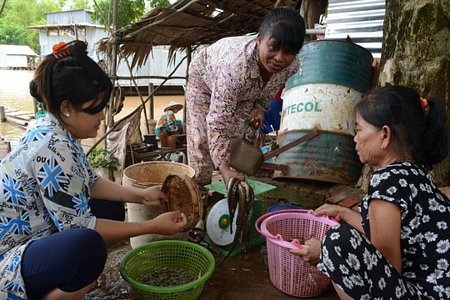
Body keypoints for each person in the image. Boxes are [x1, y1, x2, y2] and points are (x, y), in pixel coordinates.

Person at [0, 40, 187, 300]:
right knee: (88, 248)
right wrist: (151, 225)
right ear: (67, 108)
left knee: (109, 209)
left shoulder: (56, 130)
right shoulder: (51, 147)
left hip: (34, 231)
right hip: (7, 259)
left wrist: (142, 196)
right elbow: (82, 227)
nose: (102, 116)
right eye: (96, 109)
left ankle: (70, 280)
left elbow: (89, 182)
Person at [290, 85, 449, 299]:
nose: (355, 139)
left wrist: (323, 253)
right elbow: (393, 234)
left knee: (337, 241)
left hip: (419, 294)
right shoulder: (418, 175)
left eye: (359, 130)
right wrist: (343, 212)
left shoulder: (386, 181)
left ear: (384, 135)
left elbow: (386, 270)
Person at [185, 7, 306, 187]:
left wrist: (260, 107)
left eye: (289, 52)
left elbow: (271, 86)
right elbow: (218, 121)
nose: (280, 58)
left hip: (243, 87)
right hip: (204, 81)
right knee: (201, 139)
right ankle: (199, 191)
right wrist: (223, 167)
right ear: (259, 40)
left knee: (245, 132)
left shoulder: (292, 66)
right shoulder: (234, 68)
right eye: (273, 47)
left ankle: (240, 183)